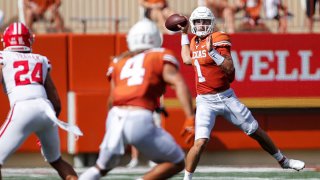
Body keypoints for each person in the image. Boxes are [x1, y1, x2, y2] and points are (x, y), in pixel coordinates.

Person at [178, 6, 306, 180]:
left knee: (255, 131)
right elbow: (187, 59)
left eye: (205, 21)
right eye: (198, 21)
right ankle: (187, 179)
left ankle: (283, 161)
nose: (201, 25)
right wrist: (184, 35)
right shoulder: (194, 41)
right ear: (192, 23)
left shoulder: (218, 38)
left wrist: (213, 53)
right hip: (205, 101)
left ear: (212, 23)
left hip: (226, 97)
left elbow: (230, 68)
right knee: (199, 142)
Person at [79, 18, 194, 180]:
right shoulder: (160, 56)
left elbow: (111, 99)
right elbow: (178, 83)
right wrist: (190, 117)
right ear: (155, 38)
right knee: (176, 161)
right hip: (139, 116)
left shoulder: (119, 61)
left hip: (115, 117)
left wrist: (113, 126)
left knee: (101, 167)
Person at [0, 22, 82, 179]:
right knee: (56, 160)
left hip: (22, 108)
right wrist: (46, 127)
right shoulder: (41, 59)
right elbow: (56, 101)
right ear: (30, 40)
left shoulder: (3, 57)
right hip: (46, 109)